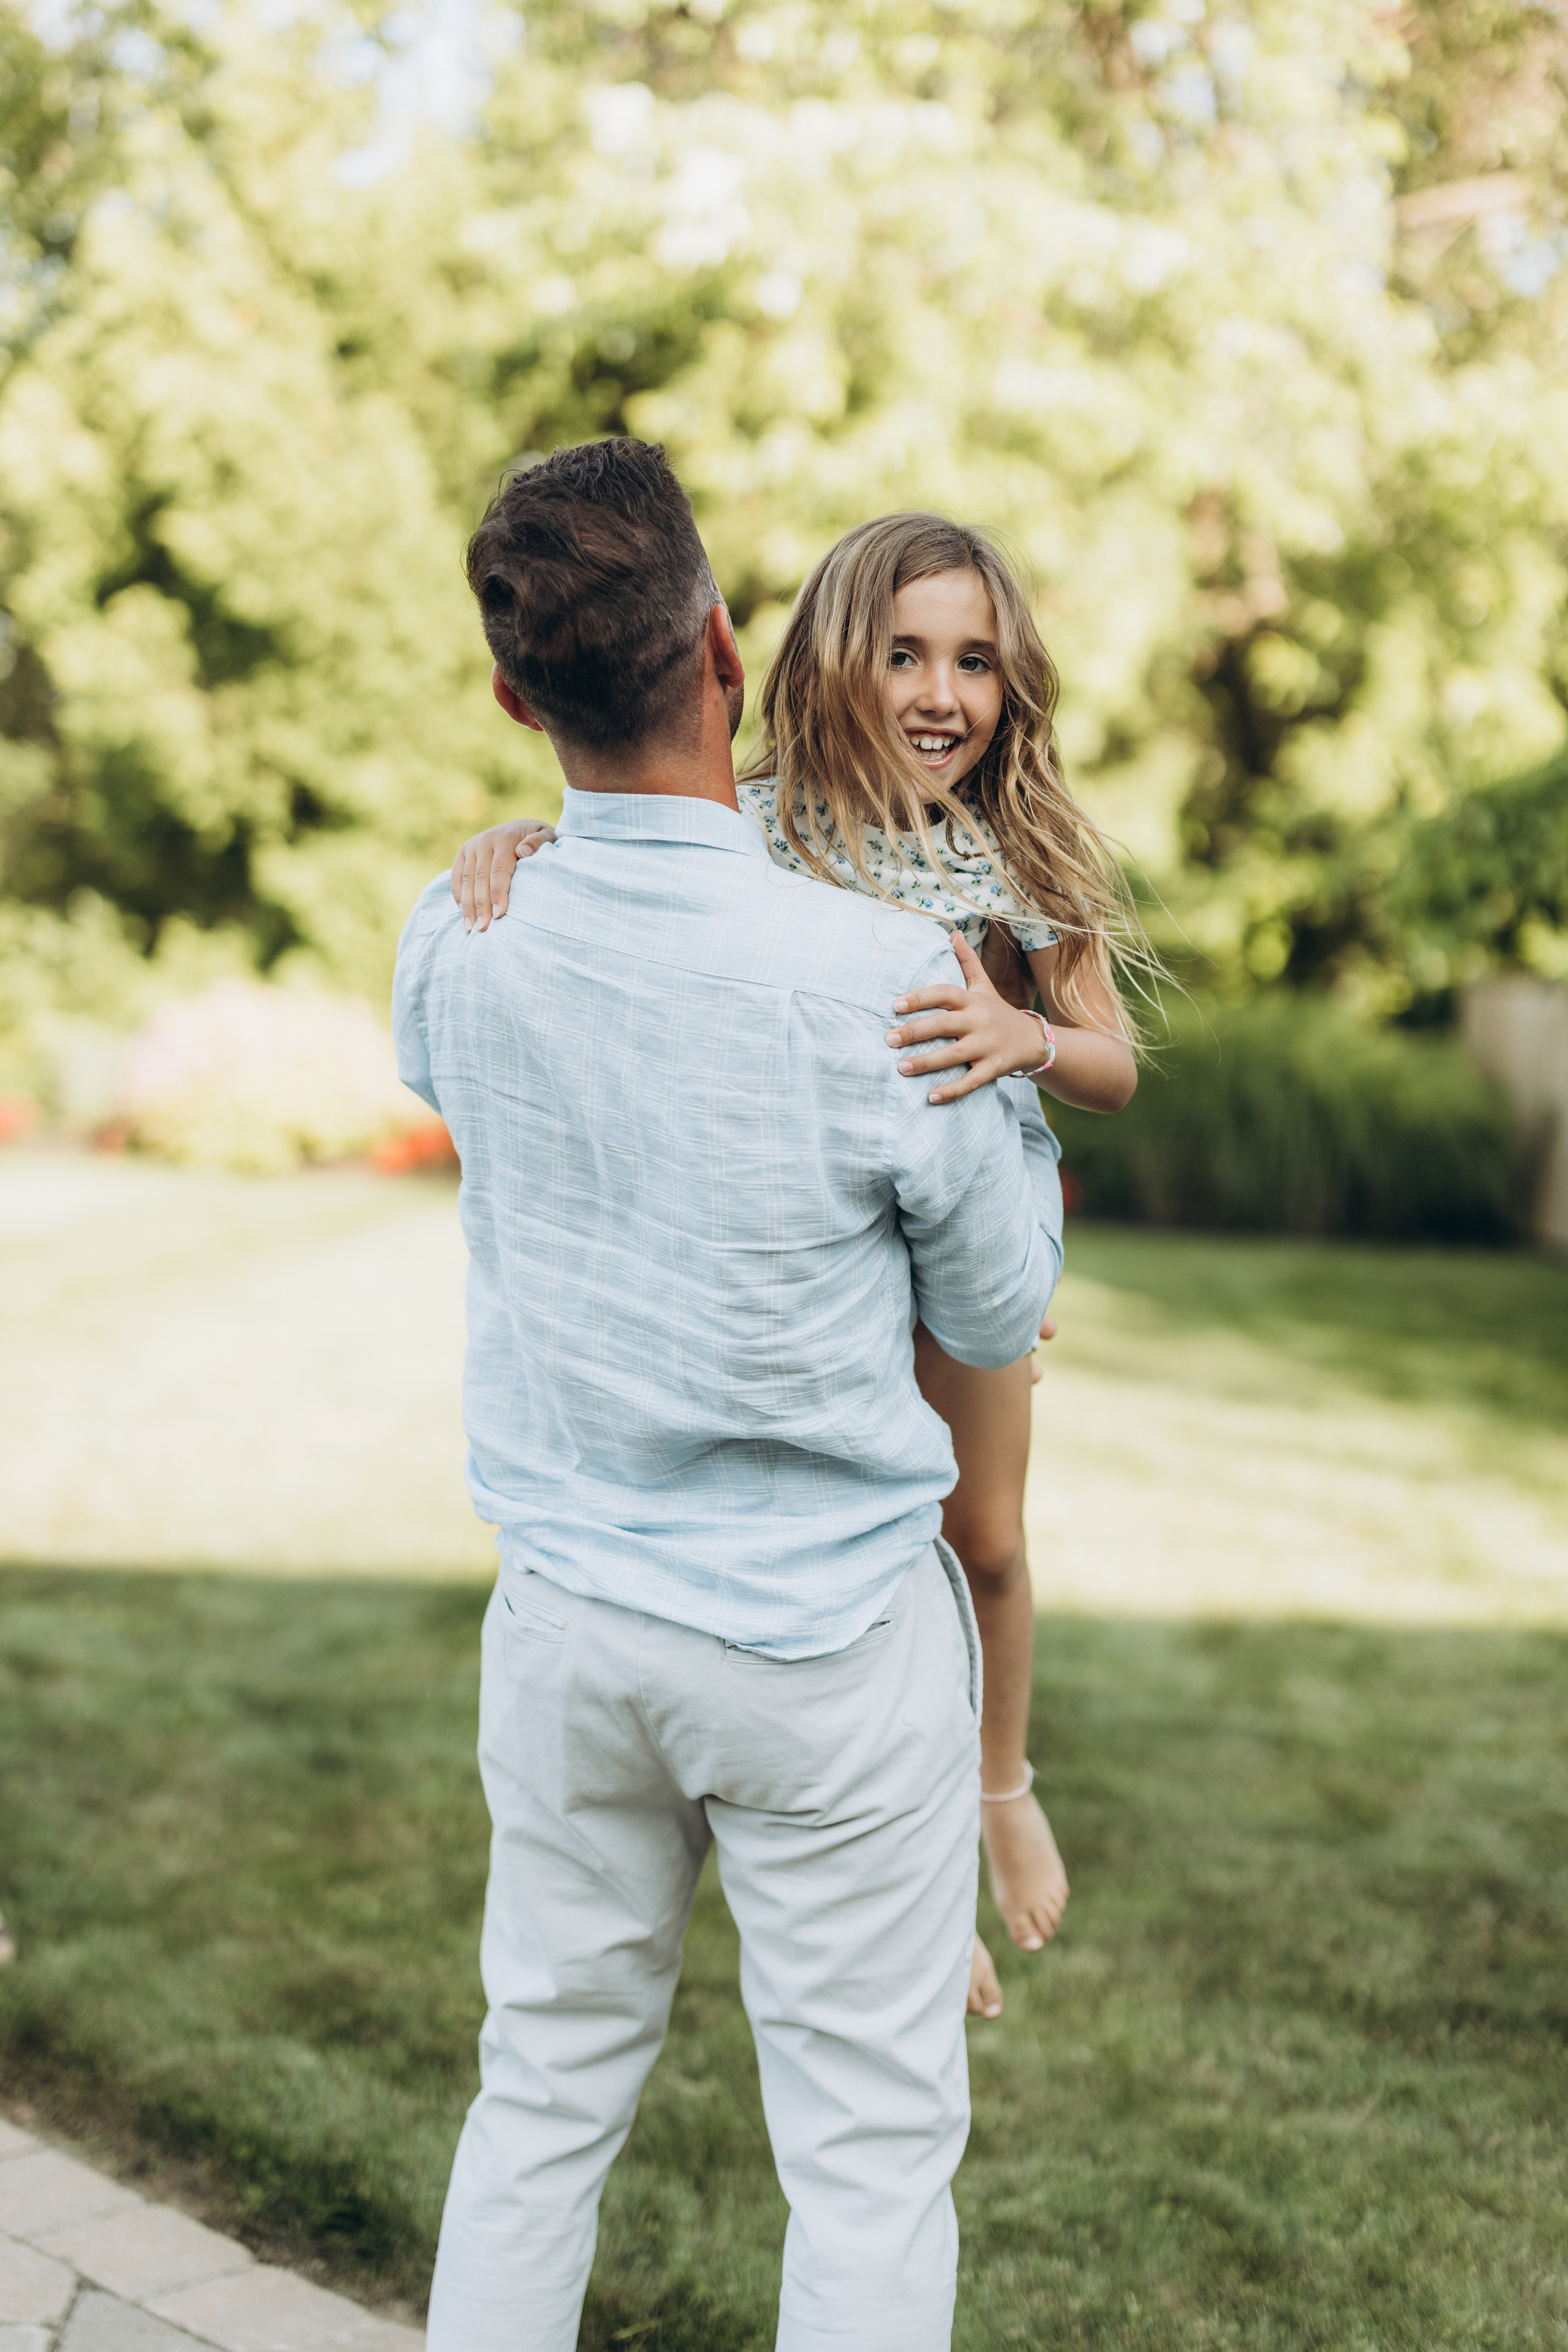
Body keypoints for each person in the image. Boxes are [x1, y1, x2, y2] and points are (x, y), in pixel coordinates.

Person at [394, 436, 1060, 2351]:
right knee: (863, 2158)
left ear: (518, 695)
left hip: (575, 1629)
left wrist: (520, 845)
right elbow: (1001, 1302)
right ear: (726, 647)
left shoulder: (463, 932)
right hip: (824, 1652)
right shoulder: (890, 981)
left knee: (537, 2101)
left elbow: (453, 1040)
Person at [451, 509, 1144, 2020]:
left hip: (963, 1231)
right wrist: (514, 842)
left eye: (971, 660)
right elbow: (623, 867)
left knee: (989, 1542)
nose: (937, 692)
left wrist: (1030, 1035)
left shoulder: (1010, 853)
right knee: (886, 1547)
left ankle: (998, 1783)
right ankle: (914, 1885)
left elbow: (1110, 1067)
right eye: (902, 653)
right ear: (823, 661)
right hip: (826, 1245)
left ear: (1009, 685)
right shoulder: (753, 829)